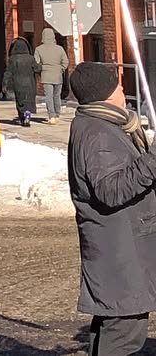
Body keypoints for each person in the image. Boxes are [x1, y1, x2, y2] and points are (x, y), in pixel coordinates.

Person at [68, 61, 156, 356]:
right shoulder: (98, 133)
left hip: (121, 249)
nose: (122, 89)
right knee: (123, 334)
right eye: (117, 86)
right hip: (119, 252)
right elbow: (112, 190)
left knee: (115, 328)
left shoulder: (102, 124)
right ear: (104, 94)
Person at [35, 27, 70, 124]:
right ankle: (57, 114)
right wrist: (61, 69)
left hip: (46, 75)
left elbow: (36, 63)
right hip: (58, 75)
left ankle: (52, 116)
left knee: (49, 96)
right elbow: (65, 62)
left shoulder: (39, 49)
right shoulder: (60, 49)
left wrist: (42, 70)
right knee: (57, 96)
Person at [6, 36, 38, 127]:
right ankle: (28, 115)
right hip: (30, 82)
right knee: (29, 100)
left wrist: (5, 84)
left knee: (20, 100)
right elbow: (37, 68)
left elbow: (8, 72)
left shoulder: (13, 59)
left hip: (18, 83)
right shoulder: (30, 58)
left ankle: (22, 117)